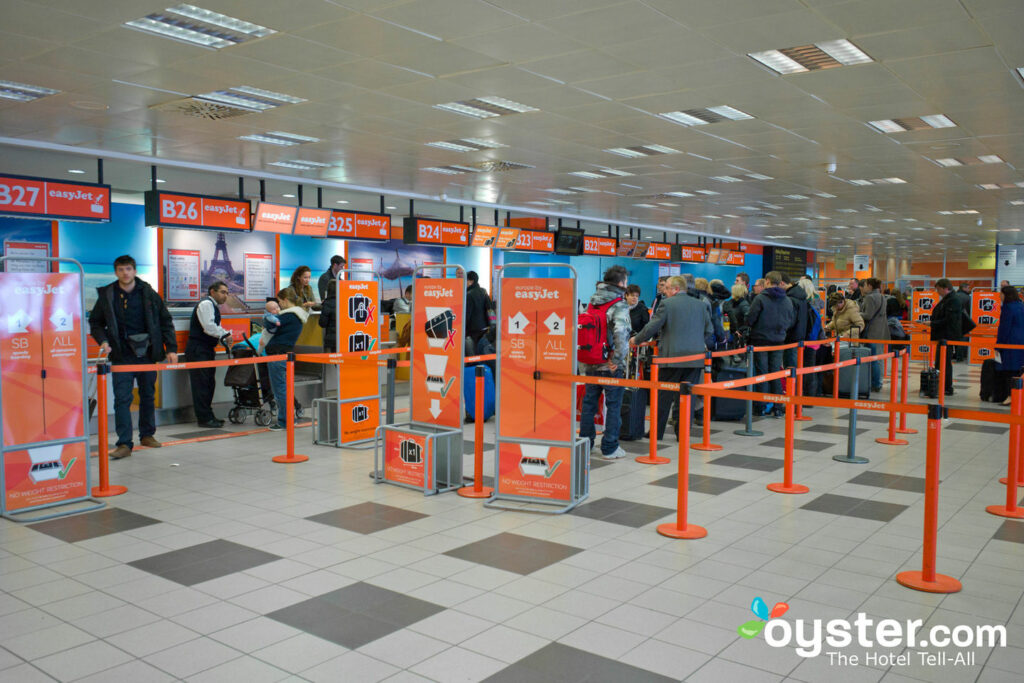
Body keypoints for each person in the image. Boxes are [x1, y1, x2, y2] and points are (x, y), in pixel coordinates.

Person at [89, 255, 178, 459]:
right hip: (121, 355)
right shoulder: (108, 294)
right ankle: (124, 443)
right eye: (121, 269)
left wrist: (171, 348)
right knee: (122, 398)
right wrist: (103, 340)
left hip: (147, 354)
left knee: (148, 395)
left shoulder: (148, 293)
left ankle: (147, 435)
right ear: (116, 272)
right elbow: (95, 322)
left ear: (135, 270)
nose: (125, 273)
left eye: (128, 269)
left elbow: (165, 320)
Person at [631, 275, 712, 439]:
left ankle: (657, 433)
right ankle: (682, 434)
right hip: (695, 359)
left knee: (664, 396)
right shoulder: (700, 305)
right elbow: (709, 331)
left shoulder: (666, 304)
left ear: (676, 289)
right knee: (687, 396)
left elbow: (652, 327)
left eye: (667, 288)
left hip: (671, 358)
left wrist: (636, 340)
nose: (664, 291)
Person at [579, 266, 632, 460]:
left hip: (590, 361)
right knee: (613, 405)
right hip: (609, 364)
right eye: (625, 282)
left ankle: (585, 443)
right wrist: (616, 359)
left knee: (589, 404)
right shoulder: (619, 304)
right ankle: (609, 447)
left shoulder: (593, 301)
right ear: (620, 283)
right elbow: (621, 334)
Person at [746, 271, 794, 417]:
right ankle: (778, 407)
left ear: (767, 281)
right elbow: (790, 320)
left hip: (761, 341)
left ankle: (761, 406)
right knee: (776, 373)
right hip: (779, 341)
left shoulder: (760, 298)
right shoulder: (787, 300)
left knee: (762, 373)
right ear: (780, 282)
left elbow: (750, 318)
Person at [186, 281, 232, 428]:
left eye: (227, 293)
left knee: (208, 384)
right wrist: (225, 334)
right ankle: (204, 418)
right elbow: (209, 327)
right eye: (222, 292)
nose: (225, 295)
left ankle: (208, 415)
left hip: (204, 349)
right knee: (202, 384)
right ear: (212, 291)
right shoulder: (206, 304)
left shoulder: (212, 305)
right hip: (198, 349)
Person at [265, 288, 310, 430]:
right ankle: (289, 419)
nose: (278, 305)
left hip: (277, 354)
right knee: (283, 388)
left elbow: (269, 324)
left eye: (279, 301)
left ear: (285, 300)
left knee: (280, 389)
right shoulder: (297, 315)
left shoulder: (289, 315)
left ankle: (285, 421)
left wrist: (268, 315)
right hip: (284, 354)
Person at [929, 278, 962, 396]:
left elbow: (949, 320)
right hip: (943, 336)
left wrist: (932, 323)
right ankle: (942, 385)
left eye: (938, 289)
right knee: (941, 362)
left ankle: (946, 387)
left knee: (944, 362)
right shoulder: (947, 300)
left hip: (946, 336)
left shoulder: (953, 300)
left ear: (944, 288)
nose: (937, 292)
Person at [859, 278, 890, 392]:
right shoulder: (882, 297)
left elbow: (868, 315)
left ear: (870, 286)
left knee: (872, 358)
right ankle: (879, 381)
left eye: (866, 285)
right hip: (881, 331)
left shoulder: (869, 298)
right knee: (879, 358)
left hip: (871, 332)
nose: (865, 287)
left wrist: (857, 312)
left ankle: (875, 383)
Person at [996, 285, 1024, 405]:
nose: (999, 296)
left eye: (1001, 294)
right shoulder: (1021, 305)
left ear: (1006, 295)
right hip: (1021, 342)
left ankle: (1010, 396)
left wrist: (999, 345)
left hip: (1010, 342)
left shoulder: (1007, 308)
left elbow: (1004, 329)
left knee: (1009, 371)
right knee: (1019, 370)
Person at [782, 273, 809, 371]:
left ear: (782, 283)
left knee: (790, 370)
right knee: (796, 369)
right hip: (799, 337)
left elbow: (790, 320)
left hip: (790, 338)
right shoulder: (801, 296)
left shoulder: (790, 299)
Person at [465, 271, 491, 343]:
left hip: (473, 329)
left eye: (465, 280)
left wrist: (464, 329)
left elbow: (467, 314)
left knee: (473, 351)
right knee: (482, 348)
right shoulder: (484, 291)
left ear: (471, 281)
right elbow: (489, 308)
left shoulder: (469, 294)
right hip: (484, 327)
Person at [953, 283, 972, 361]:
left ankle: (955, 355)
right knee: (962, 339)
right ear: (964, 288)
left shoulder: (954, 296)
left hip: (953, 321)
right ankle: (960, 356)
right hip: (964, 321)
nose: (969, 289)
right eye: (968, 288)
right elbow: (970, 310)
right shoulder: (968, 298)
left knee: (954, 339)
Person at [319, 279, 338, 352]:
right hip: (344, 338)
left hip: (331, 339)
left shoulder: (327, 303)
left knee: (333, 360)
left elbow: (322, 323)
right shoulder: (346, 301)